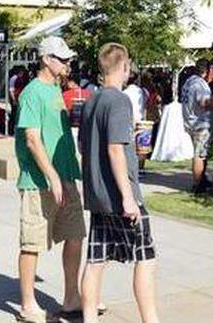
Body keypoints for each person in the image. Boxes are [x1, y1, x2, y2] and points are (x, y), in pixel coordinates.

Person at [78, 43, 158, 323]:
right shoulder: (120, 101)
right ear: (124, 66)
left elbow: (85, 146)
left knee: (96, 260)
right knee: (145, 259)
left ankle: (89, 318)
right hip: (120, 196)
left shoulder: (91, 101)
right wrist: (127, 197)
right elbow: (114, 149)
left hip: (98, 196)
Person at [14, 36, 85, 323]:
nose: (68, 63)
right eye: (62, 58)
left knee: (75, 235)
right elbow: (32, 139)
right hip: (39, 181)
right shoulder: (32, 92)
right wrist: (51, 176)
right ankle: (27, 304)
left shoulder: (56, 89)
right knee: (32, 242)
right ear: (46, 59)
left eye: (68, 59)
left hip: (66, 174)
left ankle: (71, 297)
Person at [179, 59, 213, 194]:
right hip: (200, 123)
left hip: (191, 121)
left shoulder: (189, 82)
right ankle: (197, 185)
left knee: (201, 154)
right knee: (200, 155)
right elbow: (203, 102)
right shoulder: (200, 84)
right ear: (206, 71)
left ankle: (202, 179)